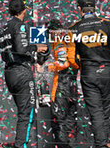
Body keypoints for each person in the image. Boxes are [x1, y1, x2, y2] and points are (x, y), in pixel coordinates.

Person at [67, 0, 110, 148]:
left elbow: (71, 60)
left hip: (88, 72)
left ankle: (102, 145)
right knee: (106, 109)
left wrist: (83, 65)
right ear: (95, 7)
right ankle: (107, 142)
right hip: (106, 69)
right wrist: (106, 56)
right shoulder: (107, 24)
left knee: (96, 111)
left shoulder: (73, 28)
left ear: (79, 9)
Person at [0, 0, 48, 148]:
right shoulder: (20, 25)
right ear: (24, 10)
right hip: (21, 72)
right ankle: (20, 146)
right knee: (27, 112)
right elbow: (21, 49)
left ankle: (20, 144)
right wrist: (36, 48)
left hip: (9, 73)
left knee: (23, 112)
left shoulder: (3, 28)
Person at [47, 19, 78, 148]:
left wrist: (47, 67)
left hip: (62, 85)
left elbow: (62, 62)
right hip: (73, 86)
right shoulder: (70, 38)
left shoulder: (58, 40)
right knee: (70, 123)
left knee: (59, 121)